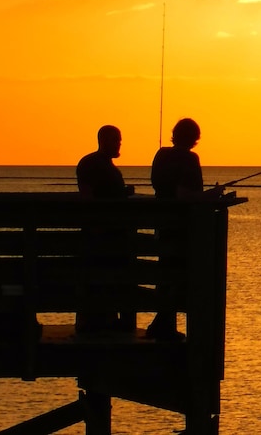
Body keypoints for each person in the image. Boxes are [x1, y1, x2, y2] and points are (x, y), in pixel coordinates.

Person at [147, 118, 221, 340]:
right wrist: (211, 196)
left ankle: (163, 323)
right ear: (195, 138)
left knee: (166, 273)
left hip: (162, 223)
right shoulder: (189, 158)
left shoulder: (161, 154)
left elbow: (164, 188)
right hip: (182, 226)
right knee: (179, 275)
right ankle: (162, 325)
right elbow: (184, 194)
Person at [75, 125, 135, 334]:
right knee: (105, 278)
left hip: (105, 234)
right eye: (116, 139)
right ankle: (100, 321)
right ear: (104, 140)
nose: (119, 143)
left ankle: (100, 320)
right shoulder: (94, 165)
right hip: (103, 235)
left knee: (104, 279)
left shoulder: (95, 165)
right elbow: (88, 197)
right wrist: (96, 226)